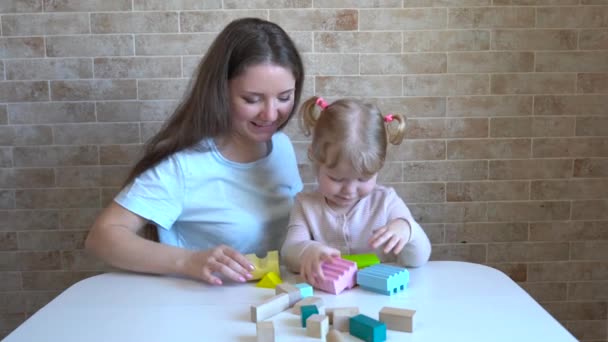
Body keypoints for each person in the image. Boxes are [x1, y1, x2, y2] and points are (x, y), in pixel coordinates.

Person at [85, 18, 305, 286]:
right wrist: (189, 261)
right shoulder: (184, 164)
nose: (271, 114)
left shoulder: (281, 146)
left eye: (284, 97)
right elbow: (102, 237)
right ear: (220, 91)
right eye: (252, 99)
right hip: (207, 310)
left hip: (280, 303)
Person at [280, 96, 432, 286]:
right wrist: (307, 251)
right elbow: (289, 252)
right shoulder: (306, 205)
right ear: (315, 158)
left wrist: (407, 229)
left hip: (379, 300)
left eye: (363, 179)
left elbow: (418, 259)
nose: (349, 191)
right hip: (327, 303)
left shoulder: (386, 202)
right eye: (336, 179)